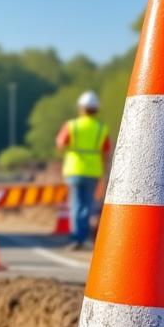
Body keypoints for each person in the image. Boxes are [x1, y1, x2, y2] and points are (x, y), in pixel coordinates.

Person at [55, 90, 112, 250]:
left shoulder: (72, 125)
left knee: (76, 204)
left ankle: (77, 238)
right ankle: (84, 236)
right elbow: (106, 151)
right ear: (96, 109)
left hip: (74, 170)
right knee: (87, 205)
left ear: (80, 108)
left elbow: (60, 143)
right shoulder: (102, 128)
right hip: (93, 171)